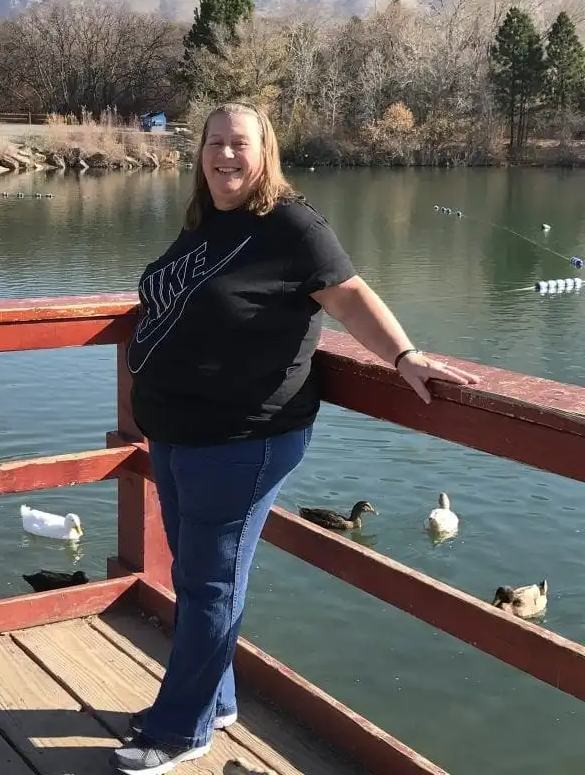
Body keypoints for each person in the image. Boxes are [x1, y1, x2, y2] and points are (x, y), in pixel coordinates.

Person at [111, 102, 476, 775]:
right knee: (200, 577)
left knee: (210, 581)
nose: (225, 156)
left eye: (239, 144)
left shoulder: (291, 226)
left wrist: (404, 355)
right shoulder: (205, 223)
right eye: (214, 143)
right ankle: (214, 703)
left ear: (265, 152)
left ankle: (180, 728)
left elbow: (351, 295)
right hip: (179, 432)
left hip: (244, 438)